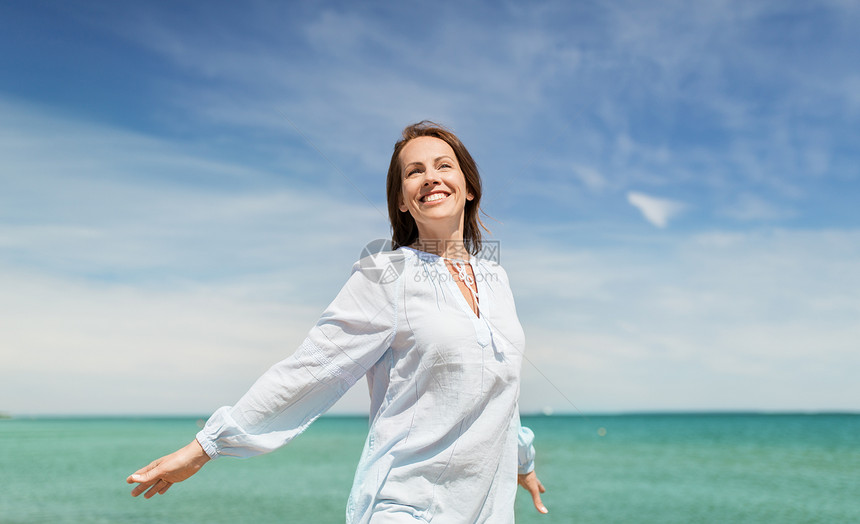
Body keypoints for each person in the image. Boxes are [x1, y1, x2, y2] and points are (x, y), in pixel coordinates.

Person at [127, 121, 548, 522]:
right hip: (407, 508)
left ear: (469, 187)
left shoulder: (496, 280)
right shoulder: (385, 274)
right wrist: (207, 446)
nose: (430, 177)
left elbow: (499, 389)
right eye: (414, 171)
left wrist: (521, 461)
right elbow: (313, 368)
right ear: (402, 199)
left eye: (443, 166)